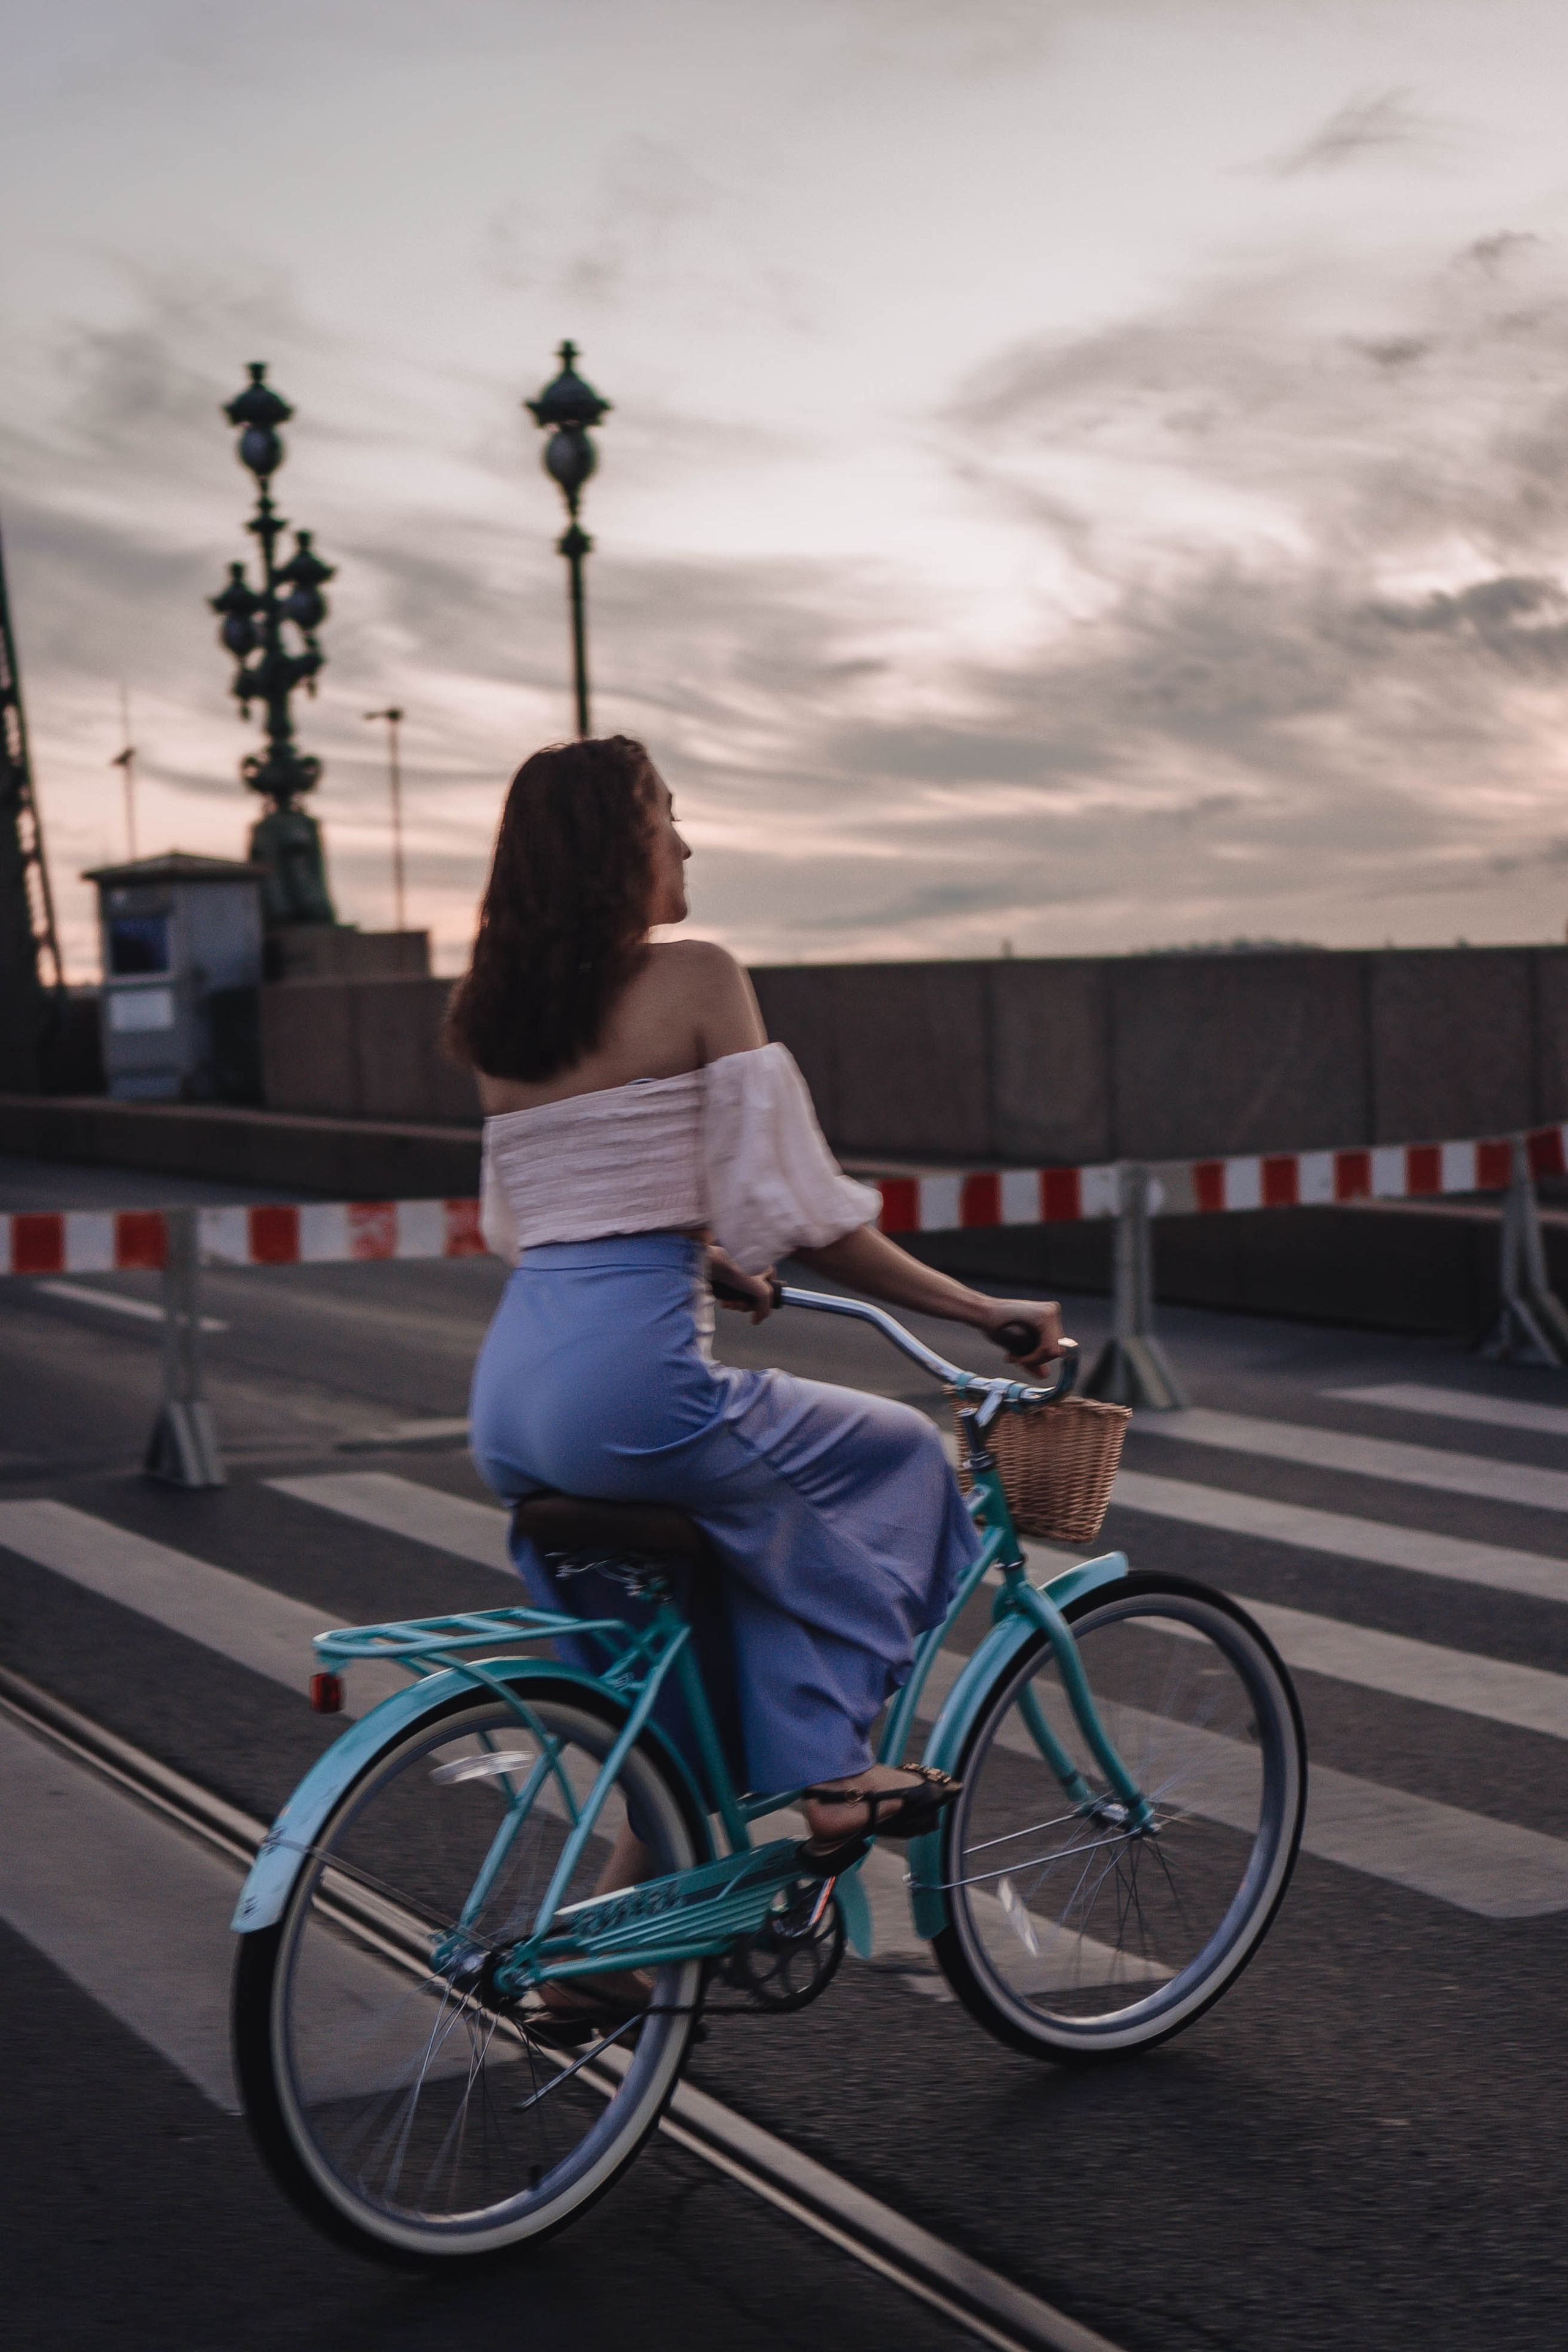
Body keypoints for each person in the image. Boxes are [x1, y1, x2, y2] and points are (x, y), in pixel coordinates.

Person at [453, 737, 1065, 1998]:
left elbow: (559, 1211)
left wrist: (698, 1253)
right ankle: (834, 1777)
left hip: (515, 1394)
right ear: (614, 848)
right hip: (632, 1390)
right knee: (899, 1454)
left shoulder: (498, 1017)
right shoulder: (696, 975)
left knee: (687, 1649)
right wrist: (979, 1309)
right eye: (665, 818)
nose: (685, 843)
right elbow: (804, 1213)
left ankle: (597, 1952)